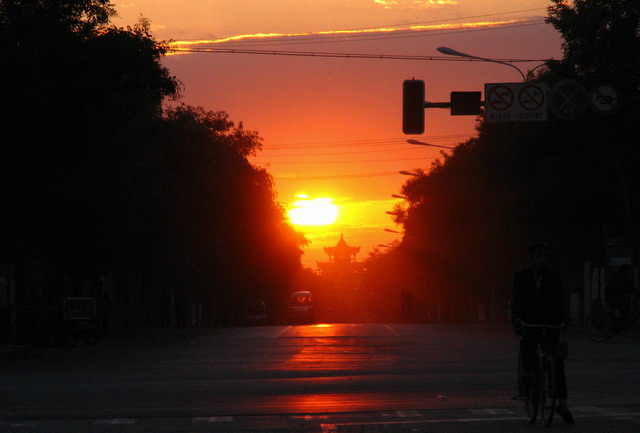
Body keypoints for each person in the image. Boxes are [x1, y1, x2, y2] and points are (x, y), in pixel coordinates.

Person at [511, 243, 574, 425]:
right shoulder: (521, 277)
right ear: (531, 259)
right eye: (538, 256)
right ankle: (529, 377)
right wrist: (516, 318)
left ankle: (562, 404)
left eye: (545, 256)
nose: (542, 259)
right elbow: (517, 300)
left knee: (557, 362)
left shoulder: (554, 276)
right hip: (530, 322)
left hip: (551, 322)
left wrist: (564, 320)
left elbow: (560, 299)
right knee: (528, 347)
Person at [605, 264, 636, 333]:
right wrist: (630, 292)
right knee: (623, 307)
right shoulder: (618, 278)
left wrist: (636, 292)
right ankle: (617, 325)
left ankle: (620, 324)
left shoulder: (624, 278)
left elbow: (630, 286)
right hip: (611, 297)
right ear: (624, 271)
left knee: (625, 308)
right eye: (628, 271)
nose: (629, 273)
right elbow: (621, 288)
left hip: (617, 297)